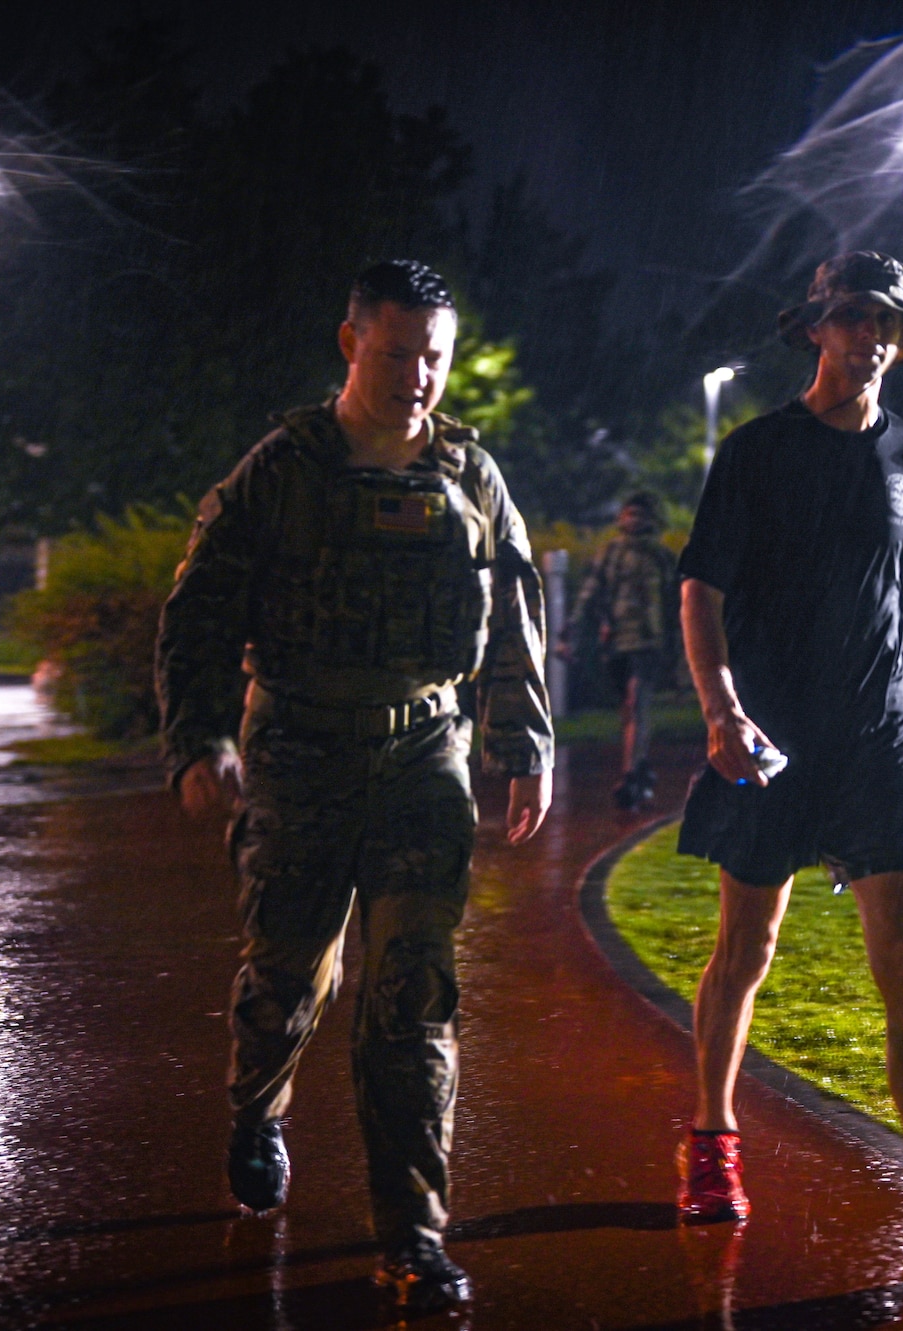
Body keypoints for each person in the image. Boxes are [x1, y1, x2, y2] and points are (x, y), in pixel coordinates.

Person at [156, 259, 554, 1313]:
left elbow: (512, 615)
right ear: (349, 345)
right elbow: (197, 610)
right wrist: (199, 739)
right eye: (395, 353)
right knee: (288, 977)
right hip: (297, 749)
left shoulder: (471, 475)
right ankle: (256, 1107)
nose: (417, 376)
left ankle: (411, 1235)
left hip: (424, 755)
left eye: (434, 356)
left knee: (411, 1000)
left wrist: (522, 741)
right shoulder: (281, 470)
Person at [671, 251, 903, 1282]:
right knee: (746, 943)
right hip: (770, 737)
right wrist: (721, 707)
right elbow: (700, 589)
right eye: (853, 317)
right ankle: (709, 1137)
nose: (870, 336)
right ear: (816, 328)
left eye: (889, 324)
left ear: (901, 341)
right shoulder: (756, 450)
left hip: (880, 741)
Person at [568, 489, 679, 809]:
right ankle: (639, 763)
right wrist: (574, 627)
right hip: (616, 643)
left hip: (649, 642)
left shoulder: (661, 557)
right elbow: (591, 592)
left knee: (637, 701)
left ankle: (630, 774)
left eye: (640, 514)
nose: (634, 520)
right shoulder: (610, 554)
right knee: (628, 708)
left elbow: (675, 603)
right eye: (629, 513)